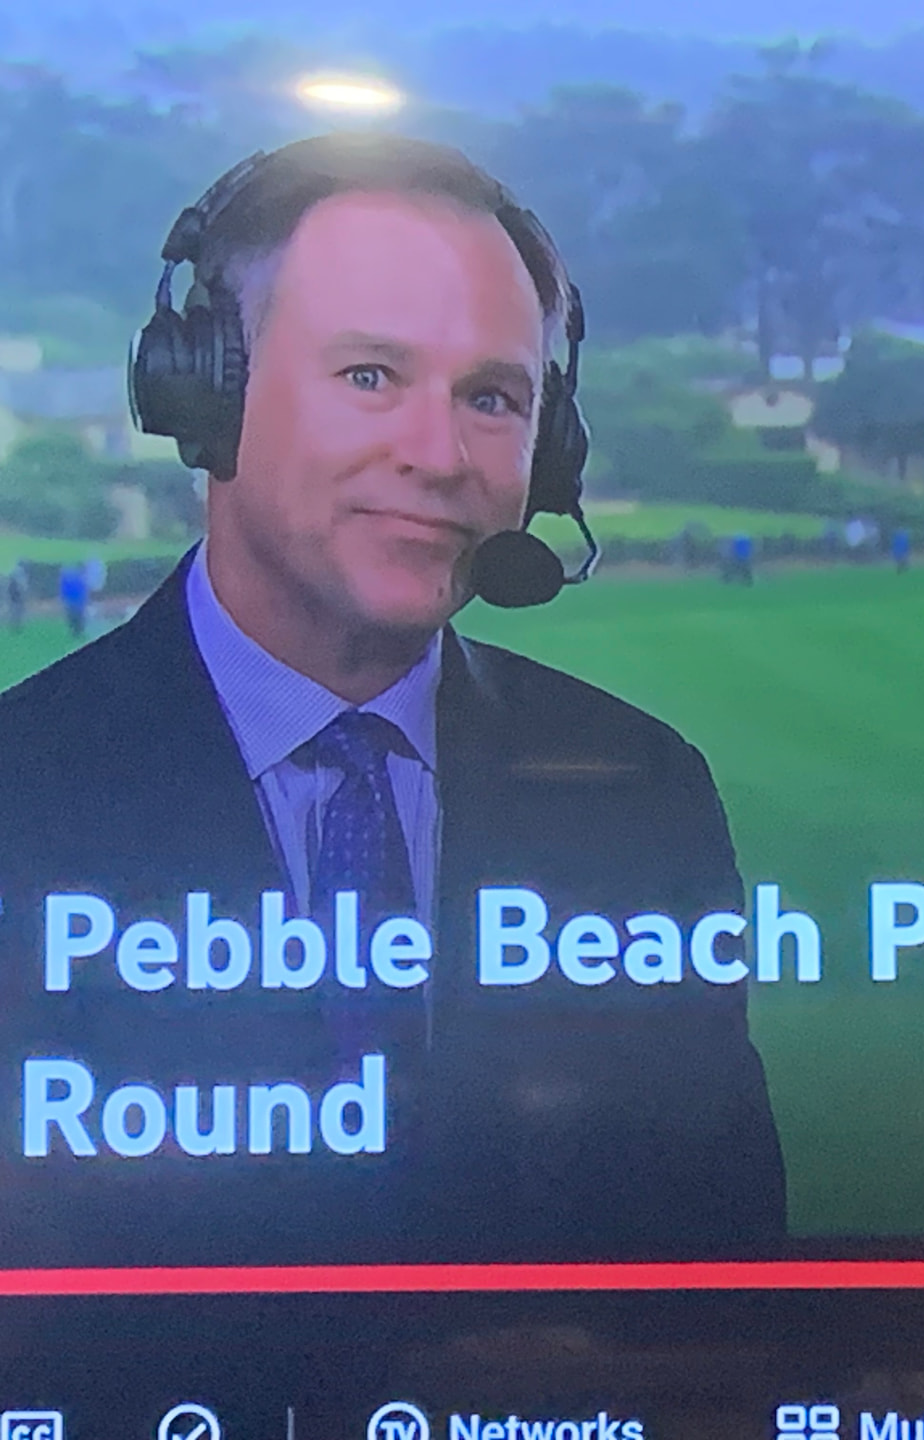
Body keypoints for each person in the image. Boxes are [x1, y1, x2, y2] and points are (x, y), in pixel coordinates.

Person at [0, 133, 786, 1270]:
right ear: (206, 392)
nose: (438, 453)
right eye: (370, 376)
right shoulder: (19, 784)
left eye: (492, 398)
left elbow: (722, 1261)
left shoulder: (641, 789)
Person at [56, 561, 88, 637]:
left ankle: (75, 631)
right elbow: (83, 589)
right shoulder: (79, 577)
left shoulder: (70, 576)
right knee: (76, 616)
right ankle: (77, 631)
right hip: (76, 601)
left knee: (73, 616)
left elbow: (64, 588)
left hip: (73, 600)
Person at [4, 560, 25, 632]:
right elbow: (22, 585)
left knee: (13, 611)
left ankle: (13, 626)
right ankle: (16, 627)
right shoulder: (20, 572)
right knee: (17, 611)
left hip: (13, 596)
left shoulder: (13, 573)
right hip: (16, 596)